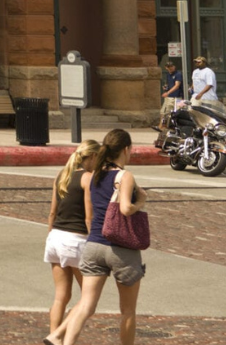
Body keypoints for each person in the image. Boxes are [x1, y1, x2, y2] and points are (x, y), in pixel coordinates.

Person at [54, 129, 146, 345]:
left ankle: (64, 341)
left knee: (85, 305)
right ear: (126, 149)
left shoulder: (94, 174)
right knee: (128, 311)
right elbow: (125, 208)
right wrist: (141, 202)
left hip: (94, 244)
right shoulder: (125, 175)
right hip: (121, 248)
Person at [43, 139, 102, 343]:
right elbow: (88, 217)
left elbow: (52, 212)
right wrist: (95, 240)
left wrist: (51, 235)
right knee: (88, 299)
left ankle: (54, 337)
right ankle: (59, 336)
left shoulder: (61, 175)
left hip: (55, 238)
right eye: (99, 158)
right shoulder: (87, 178)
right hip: (76, 240)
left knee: (61, 296)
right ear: (92, 157)